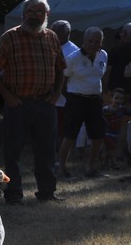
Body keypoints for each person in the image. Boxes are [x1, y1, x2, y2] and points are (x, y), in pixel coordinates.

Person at [0, 0, 65, 204]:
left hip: (45, 104)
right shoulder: (10, 37)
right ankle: (14, 194)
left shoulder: (52, 37)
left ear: (46, 14)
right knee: (13, 152)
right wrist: (7, 96)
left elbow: (60, 69)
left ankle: (47, 192)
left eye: (41, 12)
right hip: (18, 103)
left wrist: (57, 93)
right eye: (32, 11)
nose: (36, 15)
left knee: (47, 150)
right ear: (24, 13)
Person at [57, 27, 108, 178]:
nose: (93, 44)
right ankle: (62, 169)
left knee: (98, 136)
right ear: (84, 41)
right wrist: (66, 97)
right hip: (76, 99)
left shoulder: (103, 55)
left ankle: (90, 168)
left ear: (101, 42)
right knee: (70, 135)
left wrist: (103, 95)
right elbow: (62, 79)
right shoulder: (73, 58)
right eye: (90, 41)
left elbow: (101, 76)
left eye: (97, 41)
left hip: (95, 100)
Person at [50, 20, 79, 149]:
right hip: (49, 95)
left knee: (61, 126)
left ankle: (59, 150)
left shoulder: (73, 51)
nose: (52, 34)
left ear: (65, 34)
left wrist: (61, 92)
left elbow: (70, 76)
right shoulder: (51, 45)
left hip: (64, 97)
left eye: (56, 32)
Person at [102, 88, 131, 168]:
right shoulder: (106, 110)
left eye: (121, 99)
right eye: (116, 98)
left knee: (109, 149)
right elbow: (101, 120)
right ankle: (115, 163)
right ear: (111, 99)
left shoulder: (122, 109)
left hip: (115, 133)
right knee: (112, 148)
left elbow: (129, 111)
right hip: (106, 133)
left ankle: (104, 164)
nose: (118, 100)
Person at [104, 22, 131, 97]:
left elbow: (107, 71)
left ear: (125, 34)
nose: (120, 35)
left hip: (114, 93)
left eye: (122, 32)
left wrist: (105, 89)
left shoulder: (115, 50)